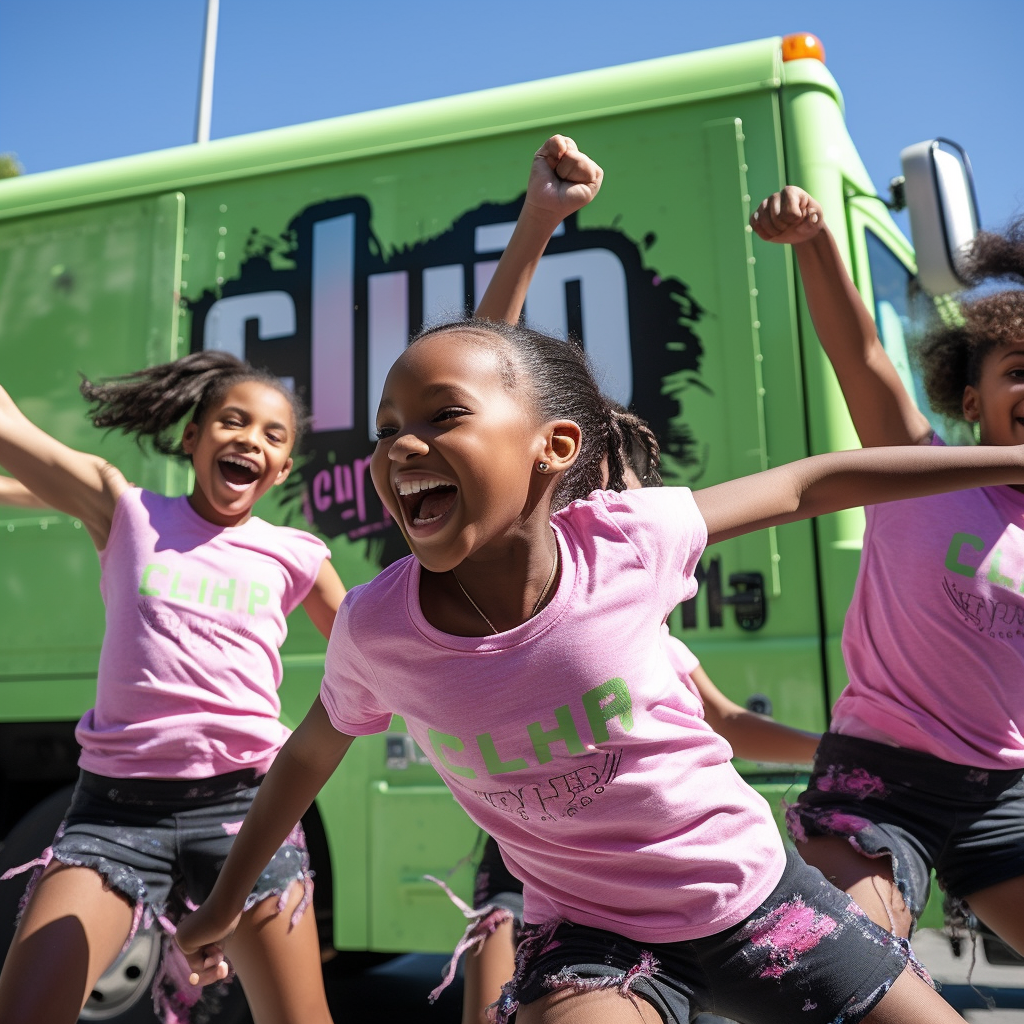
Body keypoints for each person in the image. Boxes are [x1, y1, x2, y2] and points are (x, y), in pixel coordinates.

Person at [175, 288, 1024, 1022]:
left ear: (556, 448)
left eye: (444, 417)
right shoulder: (378, 629)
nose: (400, 446)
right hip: (591, 940)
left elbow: (815, 482)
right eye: (387, 427)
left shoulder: (626, 544)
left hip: (757, 898)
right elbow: (307, 756)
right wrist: (221, 903)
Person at [459, 165, 819, 1021]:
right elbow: (480, 364)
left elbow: (730, 722)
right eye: (582, 489)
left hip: (666, 891)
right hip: (535, 873)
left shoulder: (646, 630)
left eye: (618, 493)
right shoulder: (500, 567)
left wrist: (840, 751)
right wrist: (538, 222)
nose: (603, 512)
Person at [0, 352, 345, 1024]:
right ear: (194, 437)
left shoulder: (297, 553)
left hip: (247, 816)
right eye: (233, 422)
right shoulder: (126, 512)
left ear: (280, 468)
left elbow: (379, 653)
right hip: (114, 819)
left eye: (273, 436)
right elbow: (10, 428)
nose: (251, 440)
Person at [749, 186, 1024, 954]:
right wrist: (814, 241)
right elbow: (861, 353)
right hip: (879, 786)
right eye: (1021, 369)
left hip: (1003, 795)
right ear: (973, 397)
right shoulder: (920, 470)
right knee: (852, 967)